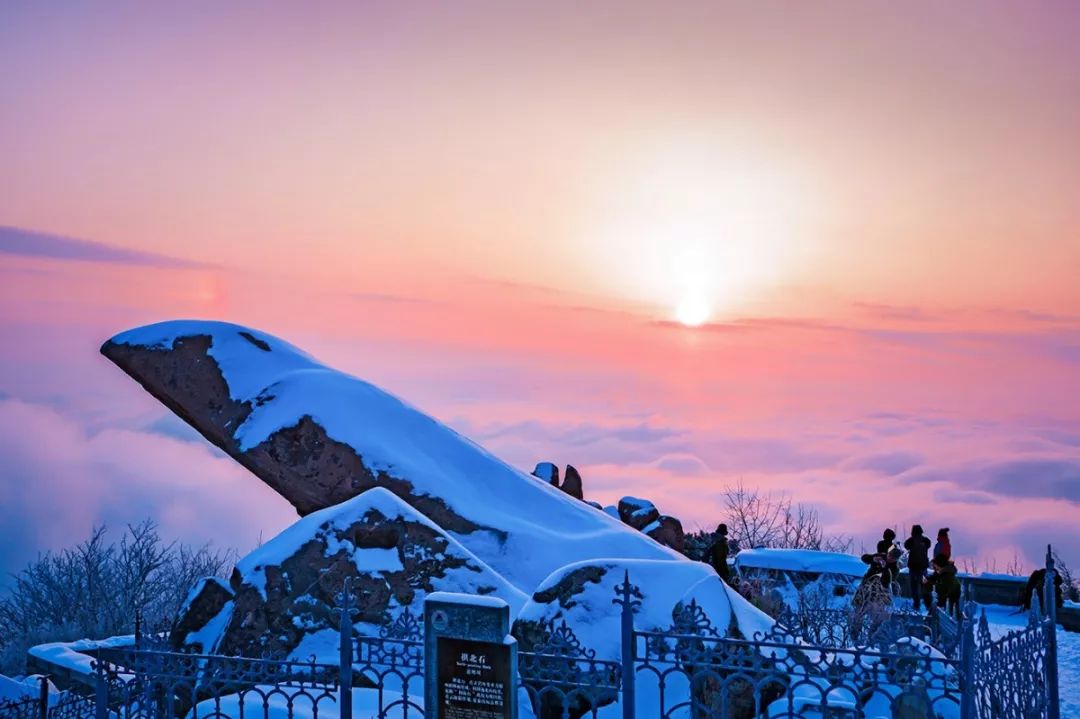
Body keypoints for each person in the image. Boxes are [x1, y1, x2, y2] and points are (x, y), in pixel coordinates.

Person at [904, 525, 932, 612]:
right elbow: (929, 545)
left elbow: (906, 546)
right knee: (925, 587)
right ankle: (929, 605)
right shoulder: (926, 540)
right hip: (923, 568)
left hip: (913, 568)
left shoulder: (910, 541)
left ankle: (916, 604)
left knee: (914, 587)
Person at [925, 554, 961, 618]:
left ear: (940, 565)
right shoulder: (942, 572)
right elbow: (935, 576)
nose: (934, 567)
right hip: (946, 600)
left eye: (935, 565)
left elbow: (942, 594)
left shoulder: (947, 576)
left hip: (950, 603)